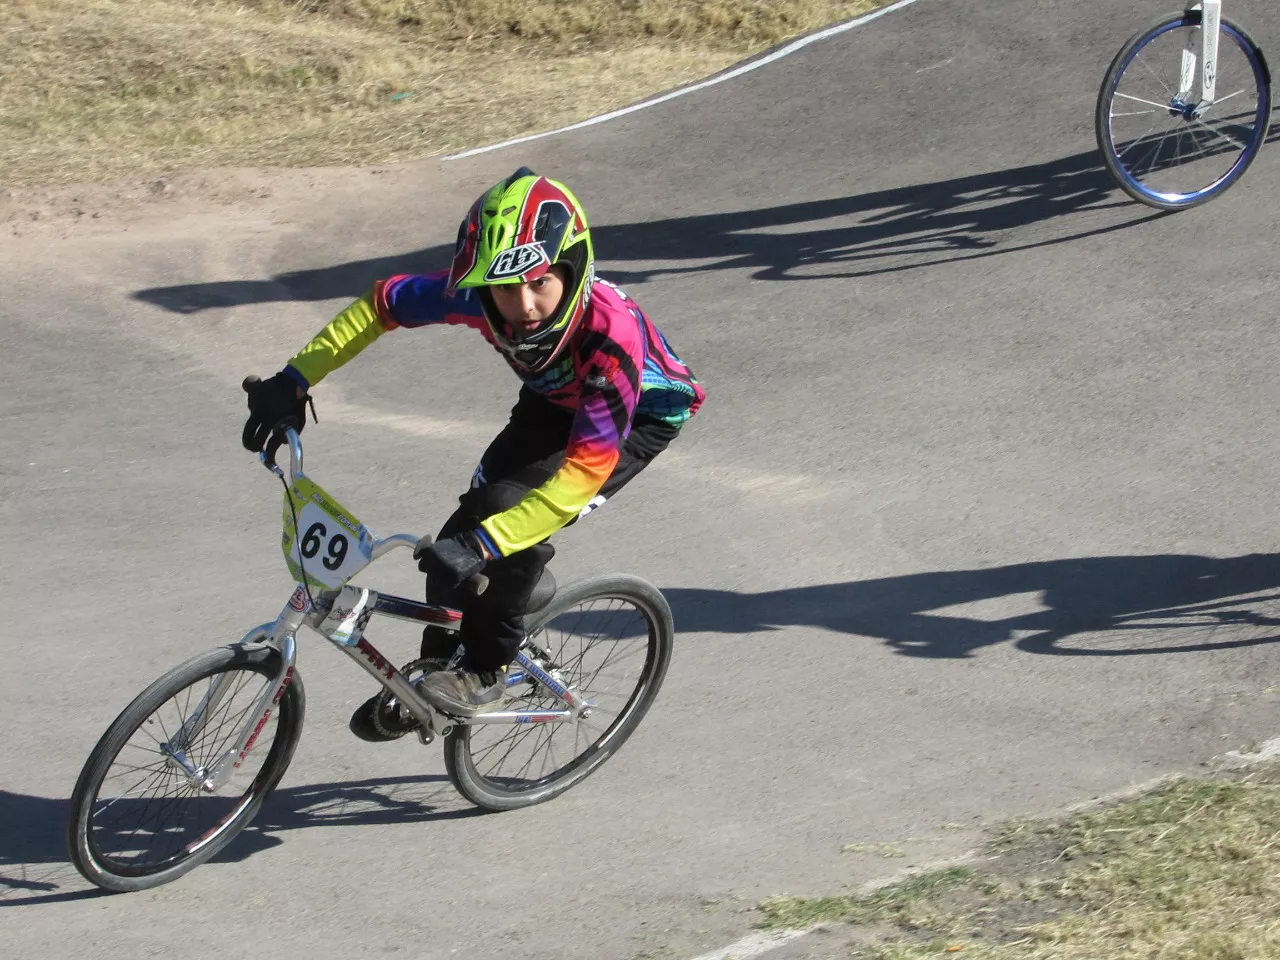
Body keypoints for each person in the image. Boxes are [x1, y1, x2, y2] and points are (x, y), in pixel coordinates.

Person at [242, 167, 705, 740]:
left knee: (502, 522)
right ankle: (431, 678)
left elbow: (581, 477)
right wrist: (294, 378)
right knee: (452, 542)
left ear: (572, 269)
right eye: (507, 289)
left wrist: (489, 543)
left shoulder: (609, 338)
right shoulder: (477, 297)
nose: (525, 304)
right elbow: (381, 305)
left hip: (635, 418)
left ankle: (484, 671)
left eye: (540, 283)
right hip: (551, 400)